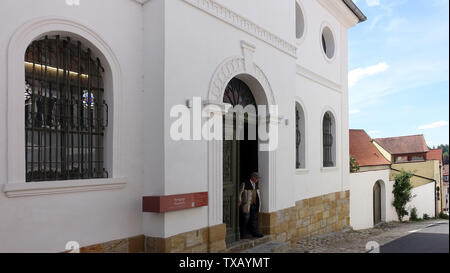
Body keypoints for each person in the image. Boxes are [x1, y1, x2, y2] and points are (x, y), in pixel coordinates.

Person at [238, 172, 264, 238]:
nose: (257, 180)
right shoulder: (245, 183)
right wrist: (239, 200)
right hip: (247, 204)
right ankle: (242, 234)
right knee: (246, 219)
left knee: (254, 219)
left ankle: (255, 233)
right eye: (257, 178)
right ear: (252, 177)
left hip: (255, 204)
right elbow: (240, 193)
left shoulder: (256, 184)